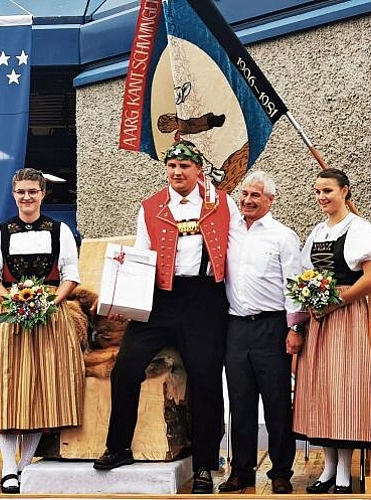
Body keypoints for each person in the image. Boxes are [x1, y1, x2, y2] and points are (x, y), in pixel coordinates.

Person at [93, 139, 239, 495]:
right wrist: (127, 297)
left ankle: (205, 464)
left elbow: (238, 247)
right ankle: (118, 447)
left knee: (206, 380)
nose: (177, 173)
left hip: (205, 299)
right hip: (161, 298)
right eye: (172, 167)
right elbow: (142, 257)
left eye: (184, 167)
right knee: (126, 367)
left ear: (198, 171)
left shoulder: (222, 203)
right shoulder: (150, 206)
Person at [0, 168, 84, 494]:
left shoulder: (60, 231)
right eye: (21, 192)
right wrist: (15, 301)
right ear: (14, 195)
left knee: (42, 389)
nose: (27, 197)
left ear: (43, 194)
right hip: (10, 316)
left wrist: (49, 301)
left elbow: (71, 275)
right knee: (7, 391)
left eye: (33, 191)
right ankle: (8, 468)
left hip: (51, 315)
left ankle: (25, 465)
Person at [293, 168, 371, 494]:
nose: (322, 197)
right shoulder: (318, 231)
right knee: (321, 392)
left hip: (347, 319)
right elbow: (306, 273)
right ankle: (328, 469)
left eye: (328, 191)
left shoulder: (359, 228)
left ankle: (345, 474)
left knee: (345, 393)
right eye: (318, 191)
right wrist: (311, 302)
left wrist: (336, 300)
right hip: (320, 320)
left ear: (345, 191)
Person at [219, 171, 305, 494]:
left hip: (272, 327)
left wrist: (294, 327)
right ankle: (240, 471)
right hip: (236, 327)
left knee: (277, 402)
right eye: (245, 194)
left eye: (256, 196)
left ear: (270, 200)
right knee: (240, 403)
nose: (248, 201)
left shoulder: (284, 236)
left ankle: (281, 471)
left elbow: (294, 285)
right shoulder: (229, 231)